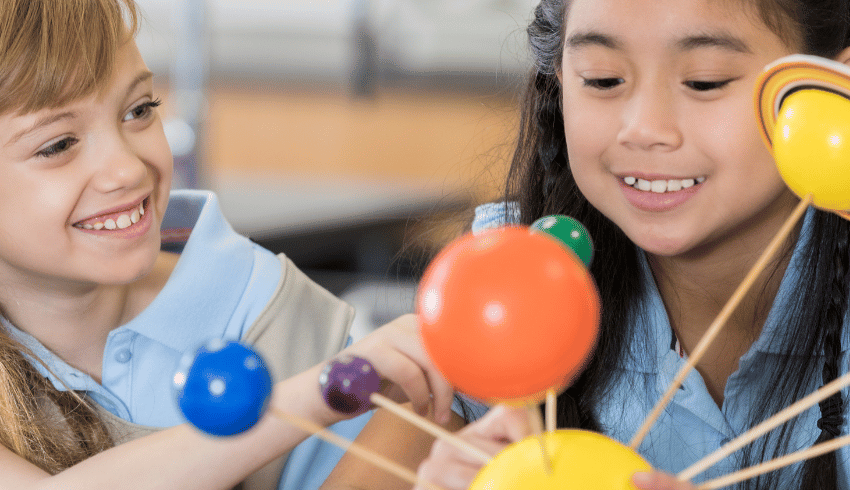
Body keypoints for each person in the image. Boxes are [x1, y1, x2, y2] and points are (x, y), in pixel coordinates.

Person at [321, 0, 850, 489]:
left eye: (705, 82)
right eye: (602, 79)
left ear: (832, 85)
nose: (643, 130)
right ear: (559, 82)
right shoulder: (504, 279)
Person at [0, 1, 458, 489]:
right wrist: (318, 395)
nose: (129, 169)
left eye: (139, 110)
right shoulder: (328, 384)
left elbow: (420, 435)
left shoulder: (265, 308)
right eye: (57, 145)